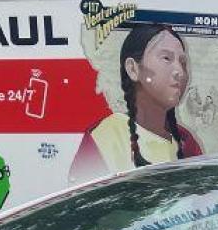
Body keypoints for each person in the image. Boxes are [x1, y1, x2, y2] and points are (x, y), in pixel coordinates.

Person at [70, 24, 203, 182]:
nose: (180, 72)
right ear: (133, 69)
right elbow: (84, 201)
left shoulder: (186, 141)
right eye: (166, 58)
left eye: (183, 62)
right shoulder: (106, 135)